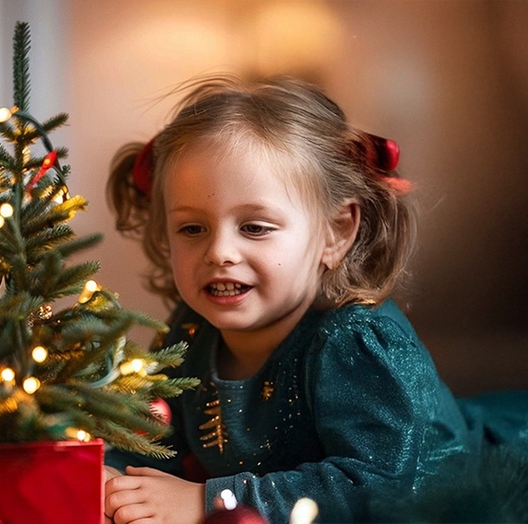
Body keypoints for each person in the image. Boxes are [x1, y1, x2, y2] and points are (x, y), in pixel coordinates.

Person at [102, 75, 528, 524]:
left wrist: (209, 501)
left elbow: (385, 485)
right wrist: (111, 475)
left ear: (336, 231)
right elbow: (155, 440)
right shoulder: (189, 329)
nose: (219, 252)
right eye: (192, 229)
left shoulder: (356, 342)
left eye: (255, 227)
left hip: (487, 480)